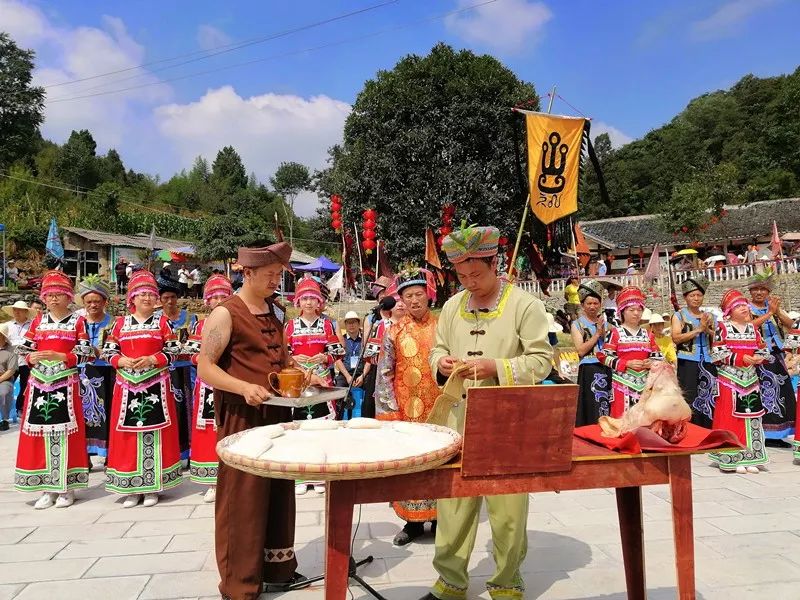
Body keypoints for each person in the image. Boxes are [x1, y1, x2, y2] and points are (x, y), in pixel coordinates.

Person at [424, 225, 552, 600]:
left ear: (495, 263)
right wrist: (442, 363)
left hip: (508, 421)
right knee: (453, 505)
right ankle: (450, 582)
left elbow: (543, 360)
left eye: (476, 274)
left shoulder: (524, 305)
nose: (469, 282)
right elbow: (437, 349)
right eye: (461, 276)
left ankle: (507, 582)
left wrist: (497, 367)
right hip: (459, 418)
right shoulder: (450, 307)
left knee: (508, 506)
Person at [197, 243, 308, 599]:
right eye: (270, 275)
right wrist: (243, 386)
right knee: (242, 499)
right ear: (247, 273)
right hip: (243, 417)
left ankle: (278, 570)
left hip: (277, 413)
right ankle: (240, 584)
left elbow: (283, 361)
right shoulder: (226, 313)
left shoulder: (274, 311)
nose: (276, 281)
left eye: (279, 275)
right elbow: (205, 366)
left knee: (278, 492)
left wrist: (304, 375)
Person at [102, 270, 183, 508]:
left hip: (155, 384)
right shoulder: (119, 324)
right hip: (127, 386)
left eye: (151, 294)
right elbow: (107, 352)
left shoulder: (163, 322)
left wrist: (153, 359)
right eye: (142, 294)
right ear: (132, 299)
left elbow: (174, 350)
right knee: (128, 435)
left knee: (155, 434)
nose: (147, 298)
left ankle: (152, 486)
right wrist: (120, 361)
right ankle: (130, 486)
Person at [14, 270, 93, 509]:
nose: (54, 299)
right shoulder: (38, 321)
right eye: (50, 295)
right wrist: (32, 358)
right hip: (39, 384)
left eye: (59, 294)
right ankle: (47, 487)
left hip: (65, 384)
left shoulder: (77, 321)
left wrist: (62, 355)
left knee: (66, 435)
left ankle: (66, 488)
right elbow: (23, 350)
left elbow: (86, 353)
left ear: (69, 297)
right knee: (40, 435)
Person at [375, 267, 439, 547]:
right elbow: (384, 372)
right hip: (406, 411)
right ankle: (412, 522)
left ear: (429, 296)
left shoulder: (443, 326)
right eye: (408, 295)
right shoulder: (394, 331)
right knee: (411, 465)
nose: (414, 300)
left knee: (439, 462)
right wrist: (390, 412)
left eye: (419, 294)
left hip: (440, 408)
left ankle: (440, 519)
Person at [184, 274, 234, 504]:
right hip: (207, 385)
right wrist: (209, 361)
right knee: (208, 433)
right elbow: (192, 354)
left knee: (233, 429)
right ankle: (213, 481)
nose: (219, 300)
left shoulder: (236, 322)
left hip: (231, 383)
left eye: (224, 296)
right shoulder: (200, 325)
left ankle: (234, 481)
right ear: (207, 301)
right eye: (214, 297)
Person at [709, 290, 769, 474]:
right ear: (729, 311)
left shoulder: (753, 329)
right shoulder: (723, 328)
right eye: (739, 306)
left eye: (745, 305)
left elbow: (763, 350)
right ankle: (732, 457)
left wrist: (759, 358)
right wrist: (741, 359)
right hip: (730, 379)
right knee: (730, 417)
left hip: (750, 379)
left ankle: (751, 456)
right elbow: (717, 353)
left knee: (751, 416)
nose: (744, 308)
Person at [284, 276, 344, 420]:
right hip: (298, 380)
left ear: (319, 301)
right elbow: (282, 354)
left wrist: (325, 357)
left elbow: (339, 353)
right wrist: (293, 358)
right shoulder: (290, 326)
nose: (309, 302)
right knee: (298, 422)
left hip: (322, 380)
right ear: (298, 302)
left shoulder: (327, 325)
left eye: (312, 298)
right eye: (304, 299)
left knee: (324, 422)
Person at [598, 287, 664, 418]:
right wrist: (627, 363)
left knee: (645, 421)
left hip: (645, 385)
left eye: (639, 310)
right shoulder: (615, 333)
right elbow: (603, 356)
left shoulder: (648, 334)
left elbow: (659, 357)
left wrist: (651, 363)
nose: (636, 313)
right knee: (623, 420)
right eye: (631, 310)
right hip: (623, 384)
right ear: (622, 311)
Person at [747, 271, 796, 445]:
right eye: (755, 289)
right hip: (759, 357)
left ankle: (780, 433)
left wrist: (777, 312)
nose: (759, 293)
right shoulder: (746, 308)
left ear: (768, 292)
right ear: (750, 291)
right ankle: (766, 433)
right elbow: (746, 326)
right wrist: (768, 314)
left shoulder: (772, 306)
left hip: (777, 354)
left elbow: (792, 325)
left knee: (783, 393)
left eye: (763, 289)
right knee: (766, 393)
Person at [157, 275, 198, 462]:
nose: (170, 301)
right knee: (168, 410)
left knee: (188, 410)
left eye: (173, 297)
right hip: (164, 370)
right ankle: (169, 452)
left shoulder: (190, 318)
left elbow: (195, 342)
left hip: (187, 370)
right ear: (160, 299)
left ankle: (188, 452)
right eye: (165, 298)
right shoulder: (156, 320)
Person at [76, 275, 115, 463]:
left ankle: (109, 455)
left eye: (97, 301)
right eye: (89, 301)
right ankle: (84, 457)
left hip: (107, 372)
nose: (93, 305)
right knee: (81, 413)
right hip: (81, 372)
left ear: (105, 302)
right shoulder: (77, 323)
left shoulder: (114, 323)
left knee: (108, 411)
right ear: (83, 302)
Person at [671, 276, 718, 428]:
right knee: (689, 394)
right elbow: (676, 337)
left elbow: (719, 337)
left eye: (699, 295)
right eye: (692, 295)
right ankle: (689, 427)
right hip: (688, 360)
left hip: (708, 360)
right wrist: (698, 330)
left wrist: (708, 329)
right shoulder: (679, 316)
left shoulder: (709, 316)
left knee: (709, 392)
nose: (696, 298)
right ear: (685, 297)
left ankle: (708, 426)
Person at [571, 279, 611, 426]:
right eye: (589, 303)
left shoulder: (608, 324)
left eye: (595, 303)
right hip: (589, 368)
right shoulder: (577, 325)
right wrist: (597, 334)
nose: (592, 307)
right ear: (582, 305)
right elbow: (580, 350)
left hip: (607, 367)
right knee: (593, 405)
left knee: (606, 401)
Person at [4, 300, 33, 418]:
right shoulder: (7, 326)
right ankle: (5, 410)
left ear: (26, 311)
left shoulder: (32, 325)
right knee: (7, 384)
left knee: (25, 385)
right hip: (10, 360)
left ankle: (20, 408)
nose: (17, 312)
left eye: (19, 310)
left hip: (26, 360)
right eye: (15, 310)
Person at [333, 311, 370, 391]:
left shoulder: (365, 339)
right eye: (348, 323)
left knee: (369, 390)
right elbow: (338, 359)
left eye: (353, 322)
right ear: (345, 325)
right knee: (338, 391)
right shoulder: (341, 340)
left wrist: (363, 375)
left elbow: (369, 359)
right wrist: (347, 376)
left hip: (362, 373)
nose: (351, 325)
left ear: (358, 323)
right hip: (345, 373)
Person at [0, 323, 18, 430]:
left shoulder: (11, 350)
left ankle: (5, 420)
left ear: (3, 336)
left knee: (3, 392)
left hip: (4, 379)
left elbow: (11, 371)